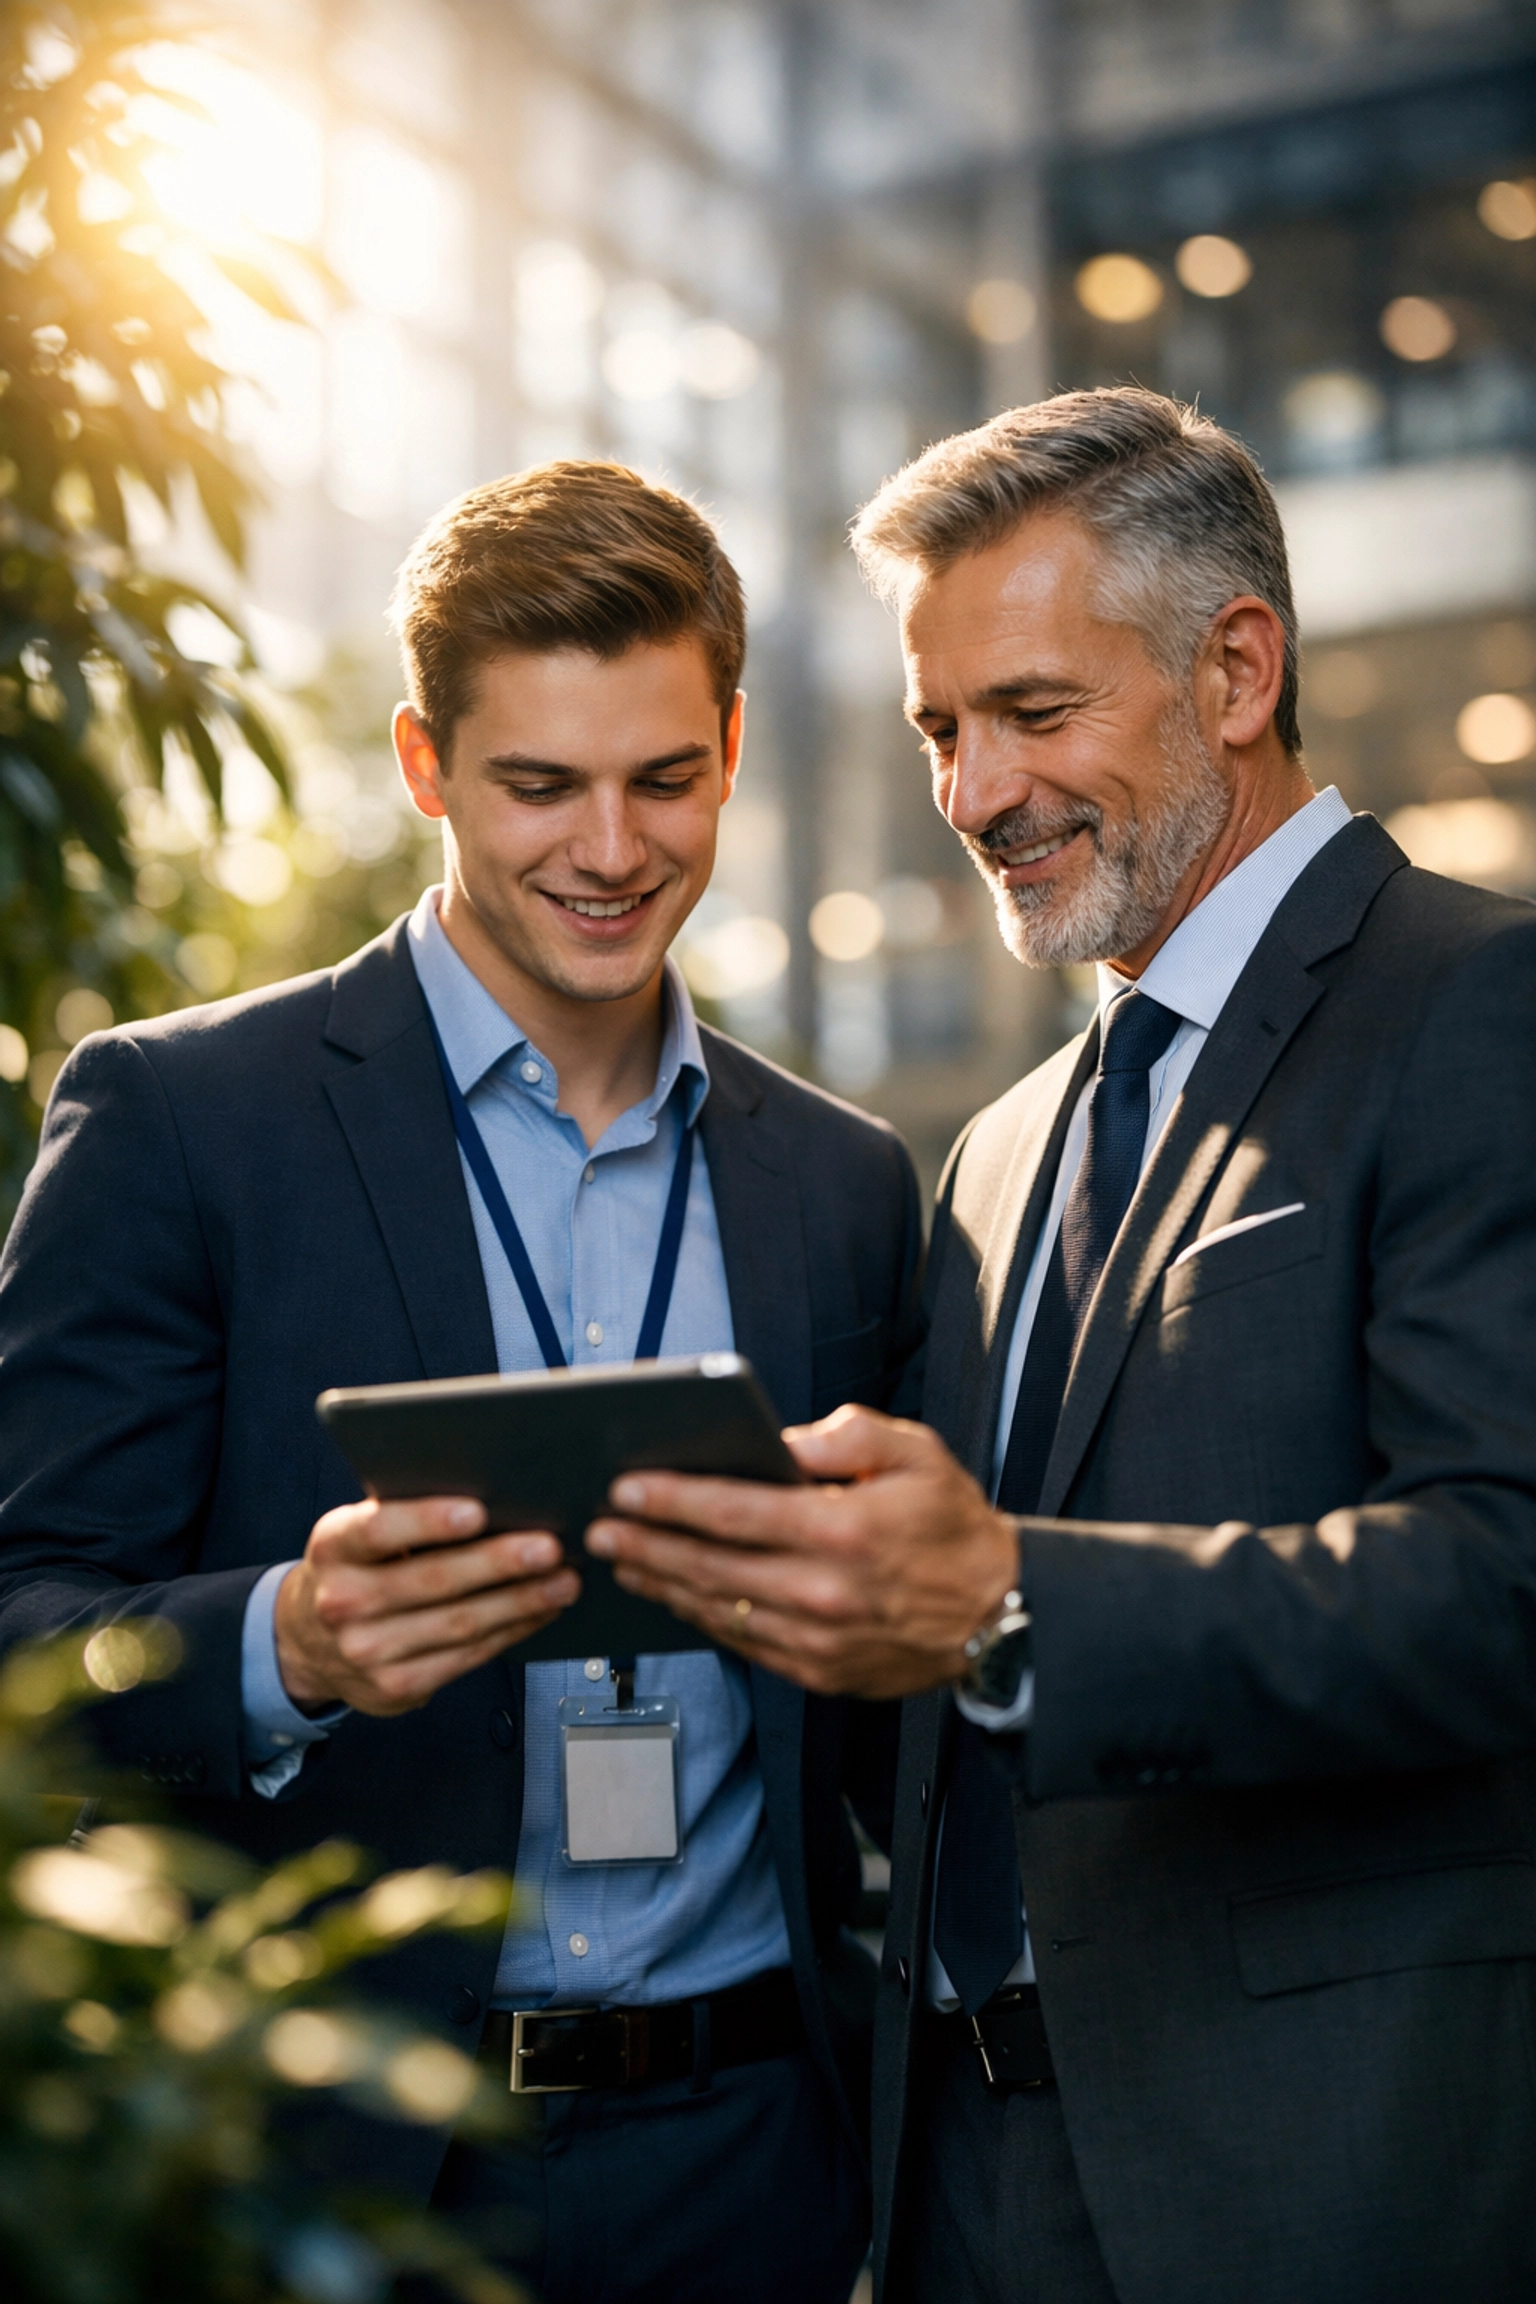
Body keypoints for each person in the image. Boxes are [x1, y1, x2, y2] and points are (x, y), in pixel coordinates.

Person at [585, 389, 1536, 2304]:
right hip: (956, 2189)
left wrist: (1004, 1605)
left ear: (1238, 668)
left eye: (1032, 712)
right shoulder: (1002, 1151)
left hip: (1317, 2182)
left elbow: (1500, 1586)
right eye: (945, 731)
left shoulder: (1482, 1004)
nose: (974, 794)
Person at [0, 462, 923, 2304]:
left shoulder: (842, 1182)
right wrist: (285, 1647)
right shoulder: (183, 1122)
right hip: (336, 2173)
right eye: (538, 786)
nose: (610, 847)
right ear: (426, 766)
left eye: (665, 779)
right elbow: (20, 1636)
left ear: (733, 743)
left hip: (755, 2163)